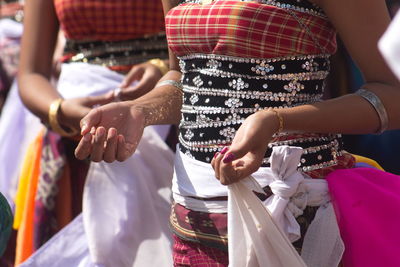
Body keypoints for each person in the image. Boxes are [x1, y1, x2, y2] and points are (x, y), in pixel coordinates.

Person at [75, 0, 400, 266]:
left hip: (289, 213)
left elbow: (392, 94)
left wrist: (276, 121)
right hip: (193, 213)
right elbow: (183, 77)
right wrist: (141, 110)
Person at [12, 0, 174, 266]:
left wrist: (161, 69)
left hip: (161, 128)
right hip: (73, 147)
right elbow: (31, 75)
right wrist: (62, 111)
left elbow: (201, 55)